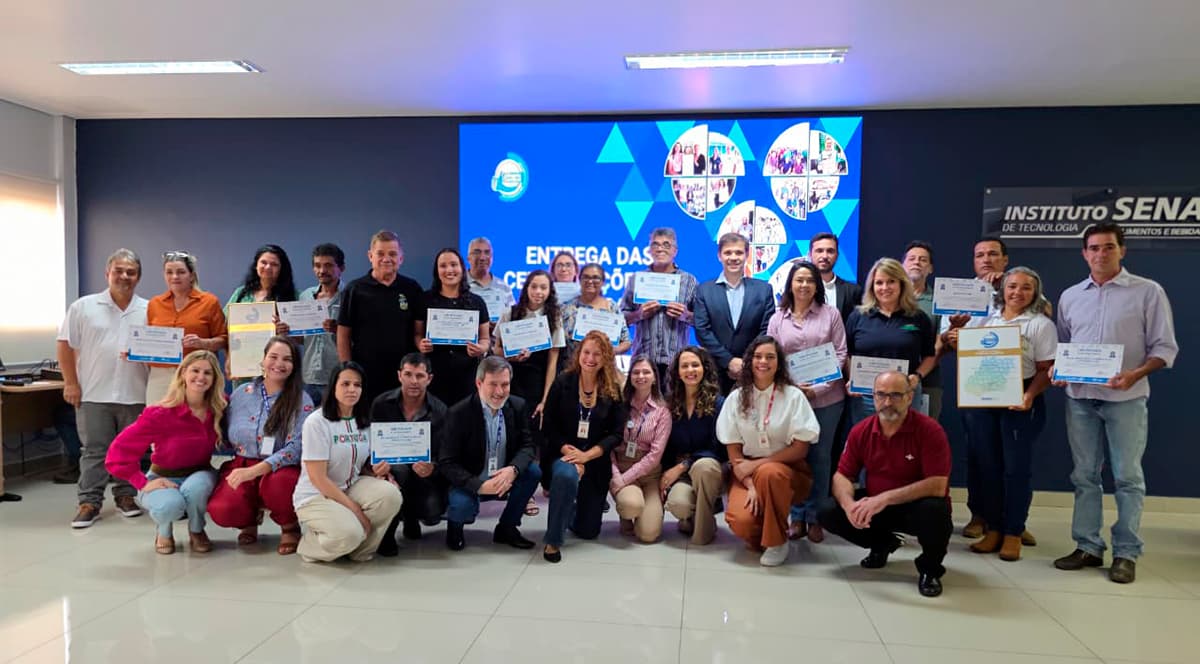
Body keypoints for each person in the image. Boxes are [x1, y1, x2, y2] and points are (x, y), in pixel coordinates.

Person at [1052, 222, 1178, 584]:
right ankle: (1088, 546)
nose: (1101, 254)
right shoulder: (1070, 296)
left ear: (1122, 250)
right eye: (1094, 248)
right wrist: (1061, 370)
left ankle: (1126, 552)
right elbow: (1064, 344)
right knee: (1084, 476)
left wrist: (1135, 374)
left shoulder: (1147, 292)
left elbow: (1164, 348)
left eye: (1108, 247)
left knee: (1127, 477)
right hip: (1080, 399)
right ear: (1084, 253)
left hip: (1126, 398)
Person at [945, 267, 1056, 561]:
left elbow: (1046, 369)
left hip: (1020, 400)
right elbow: (966, 352)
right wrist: (956, 337)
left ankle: (1013, 532)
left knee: (1016, 469)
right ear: (1002, 290)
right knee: (988, 467)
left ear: (1035, 292)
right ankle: (993, 528)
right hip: (983, 398)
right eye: (1012, 286)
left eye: (1026, 288)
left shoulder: (1040, 324)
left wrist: (1029, 396)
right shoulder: (986, 318)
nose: (1018, 292)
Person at [818, 371, 953, 598]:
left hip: (915, 508)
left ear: (909, 397)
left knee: (935, 510)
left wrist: (885, 498)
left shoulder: (930, 430)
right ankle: (883, 544)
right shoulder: (861, 430)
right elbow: (842, 476)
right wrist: (850, 505)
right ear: (873, 396)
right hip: (877, 505)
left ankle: (930, 569)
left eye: (896, 395)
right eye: (881, 395)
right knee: (827, 510)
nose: (887, 402)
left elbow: (938, 485)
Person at [58, 249, 151, 528]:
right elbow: (65, 345)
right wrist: (70, 383)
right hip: (94, 393)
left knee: (130, 451)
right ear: (107, 273)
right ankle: (89, 502)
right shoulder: (83, 307)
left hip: (136, 392)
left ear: (138, 277)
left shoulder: (150, 309)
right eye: (118, 271)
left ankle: (126, 496)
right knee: (94, 451)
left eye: (131, 272)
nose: (124, 276)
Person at [105, 350, 225, 554]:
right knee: (169, 505)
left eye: (208, 373)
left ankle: (197, 530)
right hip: (163, 475)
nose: (201, 377)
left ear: (214, 379)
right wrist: (142, 482)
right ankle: (163, 531)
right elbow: (118, 453)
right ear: (183, 373)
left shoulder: (219, 408)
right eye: (195, 371)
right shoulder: (160, 413)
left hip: (200, 472)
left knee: (196, 488)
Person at [718, 336, 820, 566]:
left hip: (787, 470)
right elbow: (734, 453)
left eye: (770, 357)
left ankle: (776, 542)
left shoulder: (793, 396)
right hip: (747, 473)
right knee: (741, 522)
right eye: (758, 356)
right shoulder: (736, 398)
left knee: (769, 472)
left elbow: (800, 449)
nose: (763, 361)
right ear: (749, 361)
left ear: (779, 363)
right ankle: (766, 532)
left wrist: (757, 465)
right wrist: (751, 485)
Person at [208, 336, 314, 555]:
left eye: (287, 359)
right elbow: (224, 430)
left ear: (294, 366)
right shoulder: (241, 393)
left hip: (281, 467)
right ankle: (248, 520)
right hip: (242, 461)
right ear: (263, 360)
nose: (279, 363)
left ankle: (289, 526)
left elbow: (296, 447)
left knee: (279, 485)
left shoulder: (301, 399)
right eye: (273, 357)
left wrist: (256, 470)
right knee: (222, 509)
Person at [767, 260, 848, 543]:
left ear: (817, 286)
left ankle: (816, 518)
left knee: (821, 458)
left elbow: (840, 354)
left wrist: (818, 389)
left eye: (810, 280)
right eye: (799, 280)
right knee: (794, 456)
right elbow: (771, 357)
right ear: (790, 284)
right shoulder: (778, 318)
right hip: (790, 400)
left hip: (827, 400)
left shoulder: (831, 314)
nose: (804, 285)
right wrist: (792, 388)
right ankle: (796, 515)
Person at [294, 362, 401, 563]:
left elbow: (359, 466)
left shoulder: (363, 421)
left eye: (357, 385)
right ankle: (310, 546)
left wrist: (378, 472)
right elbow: (318, 478)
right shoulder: (316, 422)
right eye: (345, 384)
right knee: (349, 533)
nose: (352, 389)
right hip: (316, 495)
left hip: (349, 485)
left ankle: (359, 550)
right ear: (333, 387)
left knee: (391, 495)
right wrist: (356, 511)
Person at [943, 236, 1011, 540]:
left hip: (1014, 383)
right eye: (980, 255)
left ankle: (1012, 521)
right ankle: (979, 515)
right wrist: (954, 331)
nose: (986, 260)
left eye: (993, 254)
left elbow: (1041, 319)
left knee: (1013, 457)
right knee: (978, 453)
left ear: (1004, 260)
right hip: (976, 384)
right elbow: (945, 339)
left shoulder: (1019, 288)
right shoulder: (961, 294)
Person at [539, 331, 627, 563]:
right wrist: (570, 453)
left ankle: (569, 508)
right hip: (564, 454)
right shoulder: (563, 382)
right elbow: (548, 427)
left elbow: (616, 435)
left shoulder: (613, 389)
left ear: (605, 358)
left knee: (589, 531)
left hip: (595, 460)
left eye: (597, 354)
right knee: (566, 475)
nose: (590, 358)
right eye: (586, 352)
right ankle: (553, 541)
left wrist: (586, 456)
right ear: (578, 354)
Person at [439, 356, 543, 551]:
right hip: (471, 478)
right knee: (461, 505)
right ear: (479, 383)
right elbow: (447, 462)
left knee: (532, 472)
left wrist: (513, 469)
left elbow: (528, 445)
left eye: (505, 384)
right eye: (493, 384)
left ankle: (507, 528)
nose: (499, 392)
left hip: (504, 476)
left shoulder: (517, 406)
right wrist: (479, 486)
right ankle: (455, 529)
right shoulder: (458, 413)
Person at [369, 353, 448, 554]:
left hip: (424, 478)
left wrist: (433, 467)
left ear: (429, 378)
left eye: (420, 376)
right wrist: (375, 466)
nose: (414, 381)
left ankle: (411, 516)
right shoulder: (381, 404)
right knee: (399, 471)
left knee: (432, 510)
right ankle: (388, 534)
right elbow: (371, 445)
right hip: (390, 474)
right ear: (399, 376)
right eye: (408, 374)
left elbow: (445, 454)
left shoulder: (440, 411)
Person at [337, 230, 426, 406]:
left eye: (392, 254)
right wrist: (347, 370)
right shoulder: (354, 290)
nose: (386, 259)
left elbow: (418, 332)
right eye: (380, 254)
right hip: (365, 373)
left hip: (403, 375)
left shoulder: (412, 288)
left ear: (401, 258)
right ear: (370, 256)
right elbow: (343, 335)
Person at [844, 258, 936, 425]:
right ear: (872, 286)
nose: (885, 287)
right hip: (866, 396)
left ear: (902, 284)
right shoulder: (858, 316)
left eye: (891, 282)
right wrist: (852, 379)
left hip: (904, 394)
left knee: (906, 439)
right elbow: (847, 353)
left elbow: (930, 355)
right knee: (867, 439)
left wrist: (917, 376)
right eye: (879, 283)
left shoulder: (918, 317)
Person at [694, 233, 775, 393]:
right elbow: (702, 330)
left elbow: (766, 330)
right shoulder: (704, 290)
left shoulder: (764, 289)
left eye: (738, 252)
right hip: (715, 372)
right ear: (719, 256)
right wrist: (729, 361)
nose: (733, 257)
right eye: (728, 252)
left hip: (754, 370)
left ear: (747, 255)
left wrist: (746, 362)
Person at [661, 346, 726, 545]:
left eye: (695, 365)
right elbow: (667, 447)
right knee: (678, 504)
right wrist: (665, 475)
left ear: (704, 368)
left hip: (712, 468)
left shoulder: (718, 403)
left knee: (702, 466)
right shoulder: (671, 404)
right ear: (678, 372)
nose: (690, 370)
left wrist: (684, 465)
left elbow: (718, 449)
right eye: (685, 366)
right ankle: (692, 516)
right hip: (685, 474)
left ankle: (702, 533)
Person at [143, 250, 227, 404]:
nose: (175, 277)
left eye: (181, 272)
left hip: (197, 373)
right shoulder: (155, 304)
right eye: (169, 272)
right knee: (156, 416)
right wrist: (135, 351)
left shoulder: (209, 302)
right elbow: (148, 340)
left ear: (192, 275)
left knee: (194, 416)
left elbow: (223, 339)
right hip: (161, 375)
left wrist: (202, 343)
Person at [621, 228, 699, 384]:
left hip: (677, 362)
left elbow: (701, 321)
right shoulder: (637, 279)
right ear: (649, 250)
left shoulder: (689, 281)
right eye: (655, 244)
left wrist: (686, 315)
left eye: (666, 245)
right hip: (643, 362)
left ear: (675, 251)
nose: (660, 249)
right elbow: (621, 320)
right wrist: (639, 314)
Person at [417, 248, 492, 406]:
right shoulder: (425, 300)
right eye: (443, 266)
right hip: (433, 376)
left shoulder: (477, 302)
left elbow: (485, 338)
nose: (449, 270)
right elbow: (417, 334)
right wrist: (420, 344)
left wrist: (480, 348)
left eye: (453, 264)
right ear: (437, 271)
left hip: (467, 376)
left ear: (462, 268)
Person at [611, 355, 670, 543]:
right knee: (631, 505)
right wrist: (616, 476)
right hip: (622, 466)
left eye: (646, 372)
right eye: (636, 372)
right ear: (630, 377)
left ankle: (645, 512)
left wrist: (624, 481)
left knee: (648, 535)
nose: (641, 376)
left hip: (650, 474)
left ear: (655, 378)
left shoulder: (662, 411)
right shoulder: (619, 405)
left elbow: (655, 456)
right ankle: (627, 512)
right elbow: (608, 443)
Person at [497, 269, 565, 419]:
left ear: (550, 291)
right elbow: (496, 350)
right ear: (526, 288)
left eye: (543, 287)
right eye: (534, 286)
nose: (538, 292)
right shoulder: (509, 313)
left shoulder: (554, 317)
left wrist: (545, 400)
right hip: (511, 380)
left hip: (538, 384)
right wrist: (512, 357)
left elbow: (552, 363)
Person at [298, 243, 345, 405]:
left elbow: (361, 336)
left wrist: (338, 330)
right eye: (317, 266)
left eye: (328, 265)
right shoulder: (305, 296)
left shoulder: (350, 296)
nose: (322, 270)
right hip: (308, 376)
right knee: (307, 420)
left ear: (341, 268)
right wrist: (286, 331)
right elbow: (302, 339)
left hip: (337, 375)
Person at [902, 241, 945, 421]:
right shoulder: (889, 297)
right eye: (911, 259)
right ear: (902, 265)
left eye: (923, 260)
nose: (917, 262)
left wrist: (918, 375)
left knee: (922, 432)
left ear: (931, 268)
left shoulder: (940, 301)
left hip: (927, 381)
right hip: (890, 379)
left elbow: (940, 343)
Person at [561, 263, 632, 361]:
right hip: (572, 365)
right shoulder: (567, 308)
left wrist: (611, 351)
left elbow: (626, 341)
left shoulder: (612, 307)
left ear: (603, 282)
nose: (590, 281)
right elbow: (558, 342)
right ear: (579, 280)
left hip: (604, 365)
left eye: (595, 278)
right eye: (586, 277)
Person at [809, 232, 862, 322]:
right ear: (810, 255)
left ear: (837, 256)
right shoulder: (798, 289)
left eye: (830, 251)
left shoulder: (853, 291)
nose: (825, 256)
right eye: (819, 251)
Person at [466, 237, 516, 323]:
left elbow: (514, 318)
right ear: (468, 258)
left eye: (487, 252)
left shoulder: (504, 287)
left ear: (492, 257)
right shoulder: (459, 285)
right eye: (477, 252)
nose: (482, 257)